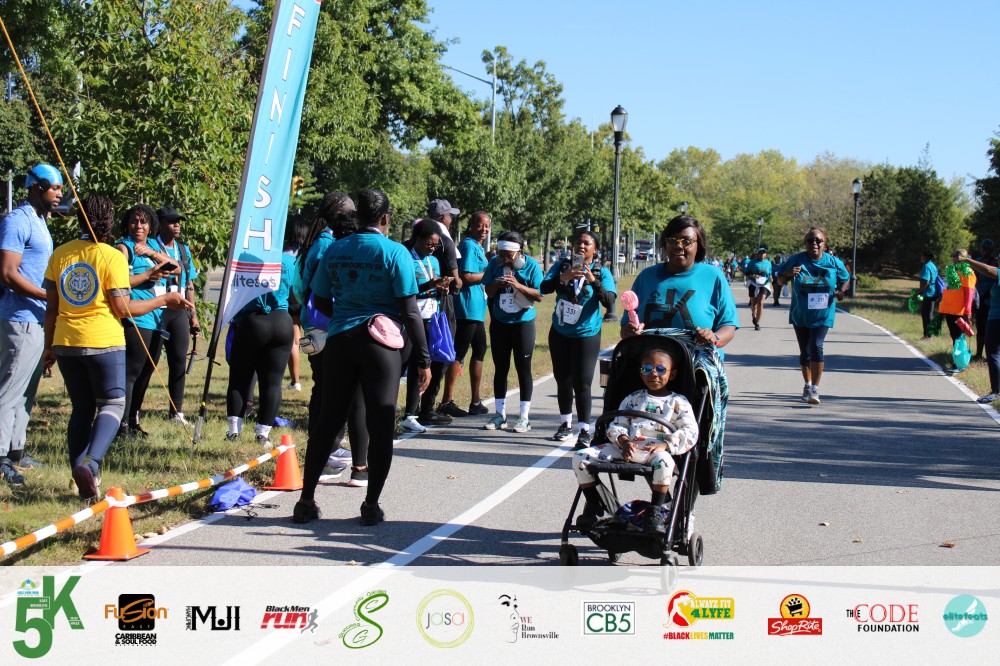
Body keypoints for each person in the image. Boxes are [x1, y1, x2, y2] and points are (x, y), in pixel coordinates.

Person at [294, 188, 431, 526]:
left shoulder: (336, 248)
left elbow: (319, 299)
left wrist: (346, 313)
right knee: (380, 424)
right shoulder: (395, 252)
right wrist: (424, 358)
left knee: (328, 421)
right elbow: (410, 310)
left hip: (340, 340)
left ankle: (306, 501)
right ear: (385, 218)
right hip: (381, 345)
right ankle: (370, 505)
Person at [41, 195, 191, 499]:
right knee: (112, 404)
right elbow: (123, 308)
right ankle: (92, 464)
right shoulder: (112, 256)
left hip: (66, 342)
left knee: (81, 409)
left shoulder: (60, 253)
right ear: (109, 221)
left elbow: (51, 308)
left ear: (80, 219)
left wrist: (48, 348)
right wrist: (164, 299)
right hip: (103, 341)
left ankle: (80, 481)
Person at [572, 347, 698, 534]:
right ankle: (595, 505)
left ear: (672, 374)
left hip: (656, 451)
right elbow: (617, 423)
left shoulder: (678, 402)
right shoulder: (633, 398)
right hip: (625, 447)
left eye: (660, 369)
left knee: (664, 463)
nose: (653, 374)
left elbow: (690, 431)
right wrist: (623, 441)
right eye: (647, 369)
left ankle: (656, 511)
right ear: (641, 373)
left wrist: (666, 444)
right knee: (580, 458)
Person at [292, 192, 368, 484]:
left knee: (326, 389)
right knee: (330, 392)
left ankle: (328, 449)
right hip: (326, 325)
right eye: (351, 212)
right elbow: (323, 287)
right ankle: (326, 452)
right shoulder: (327, 244)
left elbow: (300, 287)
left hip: (317, 323)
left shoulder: (318, 241)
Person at [0, 164, 61, 486]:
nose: (60, 194)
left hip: (37, 318)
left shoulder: (39, 221)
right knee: (10, 389)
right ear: (36, 187)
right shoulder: (17, 220)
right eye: (55, 188)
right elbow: (8, 273)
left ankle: (16, 451)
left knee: (27, 391)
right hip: (19, 318)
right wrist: (47, 296)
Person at [540, 229, 616, 447]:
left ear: (595, 249)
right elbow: (543, 288)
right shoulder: (562, 266)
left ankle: (584, 430)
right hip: (560, 331)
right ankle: (565, 425)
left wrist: (593, 280)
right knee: (563, 379)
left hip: (586, 333)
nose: (581, 246)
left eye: (587, 243)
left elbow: (609, 301)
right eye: (578, 243)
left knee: (582, 383)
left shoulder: (601, 272)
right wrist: (563, 278)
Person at [621, 214, 738, 351]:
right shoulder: (646, 276)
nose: (678, 246)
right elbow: (625, 327)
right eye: (672, 240)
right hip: (650, 362)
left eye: (686, 241)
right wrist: (630, 332)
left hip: (697, 361)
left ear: (698, 245)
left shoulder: (713, 276)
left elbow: (728, 325)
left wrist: (714, 337)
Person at [116, 204, 179, 438]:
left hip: (155, 317)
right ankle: (121, 426)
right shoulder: (123, 247)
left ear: (151, 225)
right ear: (127, 224)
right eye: (134, 221)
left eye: (143, 222)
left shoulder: (153, 245)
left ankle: (134, 420)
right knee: (131, 373)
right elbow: (118, 282)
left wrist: (152, 254)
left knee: (146, 371)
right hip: (135, 316)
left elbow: (177, 268)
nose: (139, 226)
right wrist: (148, 275)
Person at [224, 240, 296, 447]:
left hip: (252, 320)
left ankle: (234, 431)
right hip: (281, 320)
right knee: (272, 382)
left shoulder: (245, 259)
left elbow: (234, 291)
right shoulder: (289, 262)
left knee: (239, 378)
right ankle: (263, 433)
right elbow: (296, 294)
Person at [774, 227, 850, 405]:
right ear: (805, 243)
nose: (814, 243)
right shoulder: (796, 260)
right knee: (805, 351)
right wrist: (788, 274)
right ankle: (807, 384)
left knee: (816, 345)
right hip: (801, 313)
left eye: (818, 241)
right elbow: (779, 281)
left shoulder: (833, 262)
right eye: (810, 240)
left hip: (823, 314)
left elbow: (846, 278)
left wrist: (841, 291)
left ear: (824, 244)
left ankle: (815, 388)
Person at [481, 231, 543, 433]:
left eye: (508, 255)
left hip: (523, 323)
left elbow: (539, 295)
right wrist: (497, 284)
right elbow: (488, 291)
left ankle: (524, 417)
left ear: (519, 252)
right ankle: (500, 415)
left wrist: (518, 285)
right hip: (500, 322)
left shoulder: (531, 266)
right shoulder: (495, 264)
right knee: (501, 368)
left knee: (523, 368)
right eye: (501, 254)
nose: (504, 258)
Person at [399, 219, 453, 431]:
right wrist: (430, 284)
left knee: (419, 367)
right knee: (400, 365)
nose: (432, 248)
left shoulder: (434, 261)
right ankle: (385, 407)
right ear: (418, 239)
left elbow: (434, 287)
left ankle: (410, 414)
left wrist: (442, 288)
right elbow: (407, 290)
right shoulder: (406, 258)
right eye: (429, 244)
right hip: (409, 321)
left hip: (430, 318)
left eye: (436, 245)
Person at [438, 212, 491, 418]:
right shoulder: (469, 245)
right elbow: (466, 276)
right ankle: (446, 401)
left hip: (477, 309)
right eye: (480, 225)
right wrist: (490, 274)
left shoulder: (477, 246)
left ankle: (475, 401)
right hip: (467, 307)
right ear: (471, 226)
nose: (484, 229)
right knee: (459, 352)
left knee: (479, 350)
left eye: (487, 226)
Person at [155, 205, 200, 426]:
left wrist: (193, 314)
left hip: (179, 310)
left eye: (178, 221)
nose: (177, 225)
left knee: (178, 360)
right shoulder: (151, 246)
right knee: (149, 360)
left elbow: (189, 283)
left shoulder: (183, 250)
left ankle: (176, 411)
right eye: (172, 221)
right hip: (156, 310)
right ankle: (133, 412)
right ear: (160, 224)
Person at [420, 199, 463, 412]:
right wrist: (458, 282)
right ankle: (428, 407)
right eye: (449, 216)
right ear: (442, 217)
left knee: (420, 352)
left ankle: (414, 408)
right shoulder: (445, 240)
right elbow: (457, 281)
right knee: (442, 350)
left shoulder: (418, 238)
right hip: (441, 300)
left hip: (419, 302)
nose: (451, 219)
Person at [959, 253, 1000, 403]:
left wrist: (968, 260)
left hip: (997, 319)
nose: (997, 259)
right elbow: (990, 268)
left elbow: (988, 270)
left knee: (993, 353)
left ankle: (996, 391)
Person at [937, 249, 977, 373]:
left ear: (965, 259)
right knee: (954, 337)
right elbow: (946, 288)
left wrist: (968, 312)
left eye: (959, 257)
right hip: (949, 309)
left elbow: (969, 293)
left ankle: (960, 365)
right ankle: (957, 362)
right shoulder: (952, 270)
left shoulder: (968, 272)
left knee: (959, 337)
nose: (956, 259)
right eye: (954, 256)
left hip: (959, 311)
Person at [283, 221, 308, 392]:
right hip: (296, 303)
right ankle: (295, 381)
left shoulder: (282, 256)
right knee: (294, 342)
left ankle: (295, 382)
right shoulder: (299, 258)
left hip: (283, 303)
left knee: (293, 342)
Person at [973, 239, 997, 360]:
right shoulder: (978, 261)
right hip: (979, 298)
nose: (984, 251)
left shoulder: (995, 263)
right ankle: (978, 354)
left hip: (990, 300)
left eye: (987, 249)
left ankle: (991, 354)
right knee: (980, 327)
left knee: (990, 329)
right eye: (983, 248)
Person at [745, 247, 773, 331]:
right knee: (754, 304)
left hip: (764, 284)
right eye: (760, 253)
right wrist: (753, 275)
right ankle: (754, 314)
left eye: (763, 253)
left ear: (766, 254)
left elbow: (770, 274)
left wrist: (771, 278)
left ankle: (757, 323)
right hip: (754, 284)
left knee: (760, 303)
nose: (762, 255)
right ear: (757, 254)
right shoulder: (752, 262)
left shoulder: (768, 263)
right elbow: (747, 272)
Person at [917, 250, 939, 339]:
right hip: (933, 292)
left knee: (927, 314)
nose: (921, 257)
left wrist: (918, 292)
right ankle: (927, 334)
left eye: (922, 255)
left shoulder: (926, 266)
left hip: (929, 293)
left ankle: (928, 335)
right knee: (927, 313)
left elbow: (926, 282)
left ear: (926, 257)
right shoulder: (933, 265)